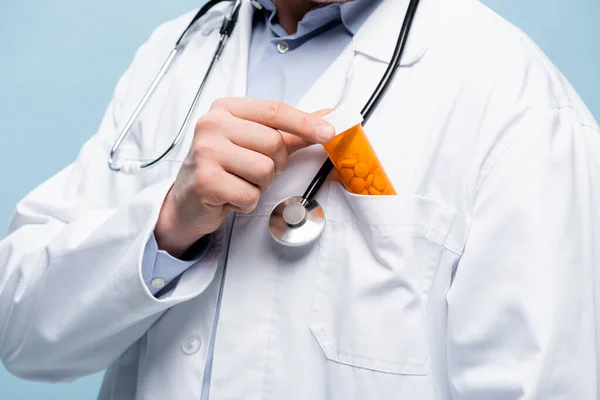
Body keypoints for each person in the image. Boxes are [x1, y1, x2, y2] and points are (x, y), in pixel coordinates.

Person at [1, 0, 599, 398]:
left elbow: (547, 381)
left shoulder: (509, 94)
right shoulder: (176, 53)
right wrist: (166, 228)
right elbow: (22, 329)